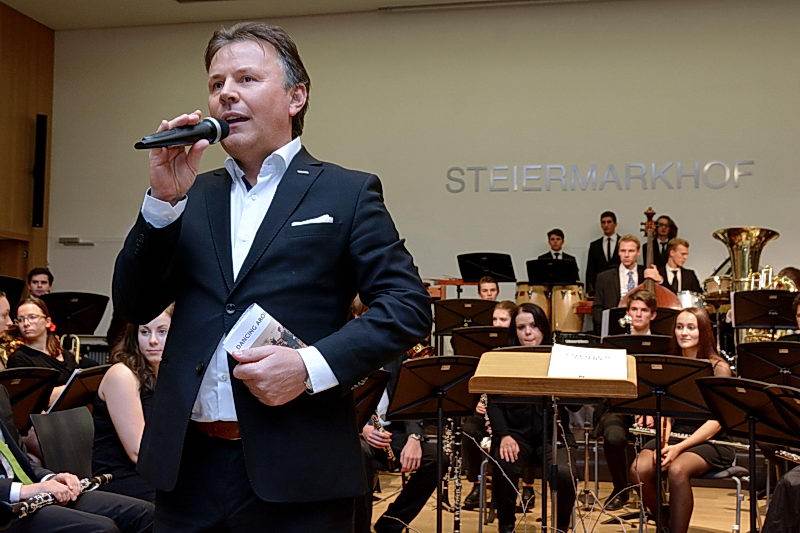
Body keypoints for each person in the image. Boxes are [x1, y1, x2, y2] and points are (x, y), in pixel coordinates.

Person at [112, 22, 431, 532]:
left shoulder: (345, 193)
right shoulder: (190, 194)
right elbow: (135, 304)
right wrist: (162, 204)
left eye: (246, 79)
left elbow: (407, 306)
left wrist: (308, 366)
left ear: (295, 97)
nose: (226, 94)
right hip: (187, 469)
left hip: (298, 469)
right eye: (216, 84)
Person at [0, 303, 154, 532]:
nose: (10, 323)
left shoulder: (0, 391)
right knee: (102, 528)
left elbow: (17, 459)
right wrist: (22, 491)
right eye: (4, 316)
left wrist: (49, 478)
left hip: (30, 488)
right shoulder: (17, 364)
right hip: (9, 502)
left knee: (146, 513)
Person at [630, 307, 734, 533]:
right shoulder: (673, 363)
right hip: (677, 435)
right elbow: (667, 410)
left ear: (703, 331)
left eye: (691, 327)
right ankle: (664, 521)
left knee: (677, 469)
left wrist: (677, 448)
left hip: (713, 441)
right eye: (679, 327)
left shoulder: (719, 368)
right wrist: (664, 442)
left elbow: (717, 422)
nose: (684, 333)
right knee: (639, 469)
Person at [487, 302, 576, 533]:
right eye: (521, 327)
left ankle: (561, 527)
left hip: (552, 435)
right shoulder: (503, 358)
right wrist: (504, 435)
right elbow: (493, 403)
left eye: (534, 326)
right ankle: (506, 526)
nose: (528, 332)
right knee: (505, 466)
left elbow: (575, 406)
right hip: (515, 435)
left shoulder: (560, 356)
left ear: (543, 328)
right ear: (514, 331)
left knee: (563, 473)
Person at [92, 305, 173, 502]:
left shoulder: (165, 372)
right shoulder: (122, 374)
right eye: (145, 332)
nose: (153, 340)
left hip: (153, 470)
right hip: (122, 478)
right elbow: (138, 452)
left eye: (162, 332)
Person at [7, 298, 96, 406]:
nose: (26, 323)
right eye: (20, 320)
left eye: (32, 317)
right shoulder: (18, 358)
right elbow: (31, 399)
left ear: (48, 322)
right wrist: (79, 388)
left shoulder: (66, 355)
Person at [592, 235, 660, 334]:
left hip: (643, 327)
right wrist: (608, 326)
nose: (626, 255)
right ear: (618, 252)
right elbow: (597, 307)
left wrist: (660, 280)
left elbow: (666, 298)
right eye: (623, 251)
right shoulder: (604, 277)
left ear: (638, 252)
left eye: (631, 251)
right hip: (613, 328)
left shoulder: (647, 274)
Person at [586, 211, 621, 296]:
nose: (606, 225)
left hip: (619, 285)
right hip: (599, 286)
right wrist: (589, 290)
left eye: (609, 222)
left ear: (615, 224)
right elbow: (590, 270)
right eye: (603, 222)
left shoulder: (623, 243)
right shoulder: (594, 245)